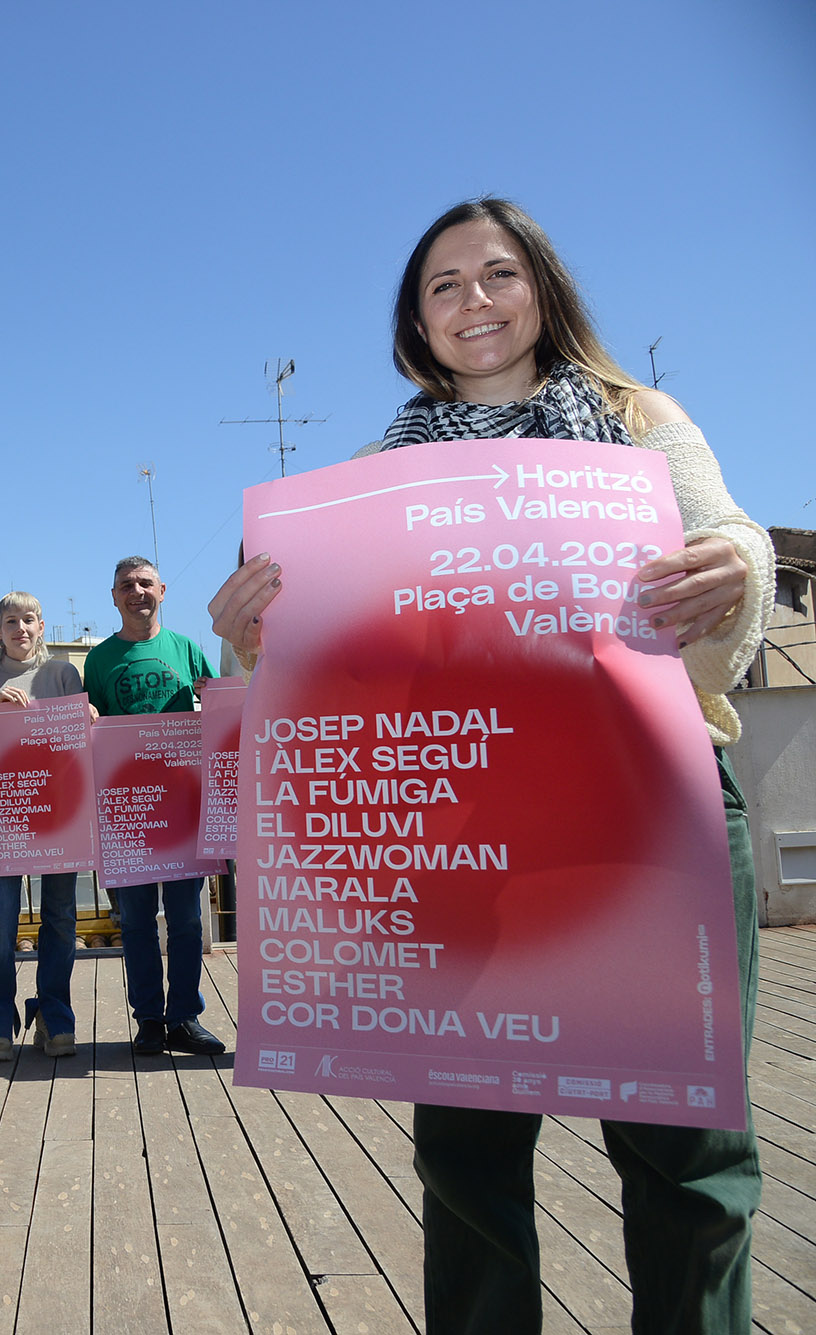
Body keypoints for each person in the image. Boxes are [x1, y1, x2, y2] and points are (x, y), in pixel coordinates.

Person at [209, 197, 772, 1334]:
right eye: (443, 285)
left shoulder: (636, 419)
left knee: (689, 1161)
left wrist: (733, 567)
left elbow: (735, 560)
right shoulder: (367, 478)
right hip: (457, 836)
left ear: (542, 290)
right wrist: (244, 628)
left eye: (497, 274)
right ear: (413, 322)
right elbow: (320, 671)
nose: (474, 301)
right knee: (464, 1168)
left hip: (648, 822)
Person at [83, 557, 224, 1058]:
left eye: (145, 584)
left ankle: (184, 1017)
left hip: (185, 805)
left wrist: (215, 696)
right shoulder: (97, 661)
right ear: (114, 596)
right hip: (127, 809)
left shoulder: (188, 649)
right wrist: (89, 716)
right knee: (138, 922)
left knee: (186, 921)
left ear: (162, 590)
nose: (137, 592)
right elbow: (88, 735)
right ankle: (148, 1020)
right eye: (127, 586)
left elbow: (218, 710)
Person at [0, 592, 85, 1060]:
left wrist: (88, 717)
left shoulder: (63, 674)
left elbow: (78, 745)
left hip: (59, 816)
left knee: (60, 918)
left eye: (29, 619)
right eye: (10, 620)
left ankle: (54, 1014)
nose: (20, 627)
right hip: (1, 818)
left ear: (42, 625)